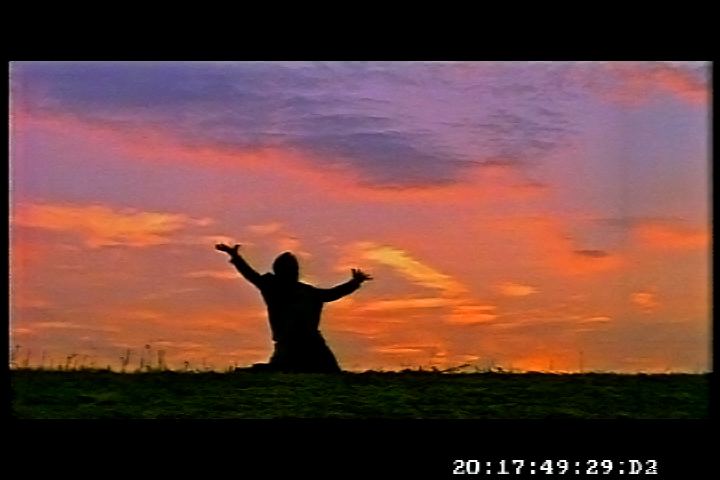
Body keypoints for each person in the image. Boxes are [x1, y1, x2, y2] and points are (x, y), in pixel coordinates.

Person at [215, 243, 372, 373]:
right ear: (279, 270)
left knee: (329, 371)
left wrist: (354, 283)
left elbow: (331, 294)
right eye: (289, 268)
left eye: (294, 268)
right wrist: (236, 258)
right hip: (289, 342)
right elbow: (250, 275)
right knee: (282, 369)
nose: (293, 271)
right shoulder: (272, 286)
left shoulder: (308, 291)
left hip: (313, 341)